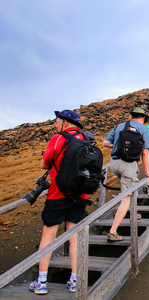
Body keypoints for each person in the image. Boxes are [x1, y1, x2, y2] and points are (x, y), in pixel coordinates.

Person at [29, 110, 88, 295]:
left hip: (57, 194)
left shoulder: (58, 138)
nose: (55, 125)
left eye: (57, 122)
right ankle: (75, 280)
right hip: (80, 195)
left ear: (65, 123)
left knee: (48, 236)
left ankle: (42, 281)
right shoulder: (85, 139)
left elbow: (44, 164)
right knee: (74, 238)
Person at [102, 107, 149, 242]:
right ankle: (113, 231)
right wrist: (147, 172)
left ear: (132, 116)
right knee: (126, 197)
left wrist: (120, 146)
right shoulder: (143, 129)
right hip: (128, 165)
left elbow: (105, 143)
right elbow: (145, 152)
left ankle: (133, 212)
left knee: (130, 191)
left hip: (114, 164)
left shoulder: (119, 126)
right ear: (143, 118)